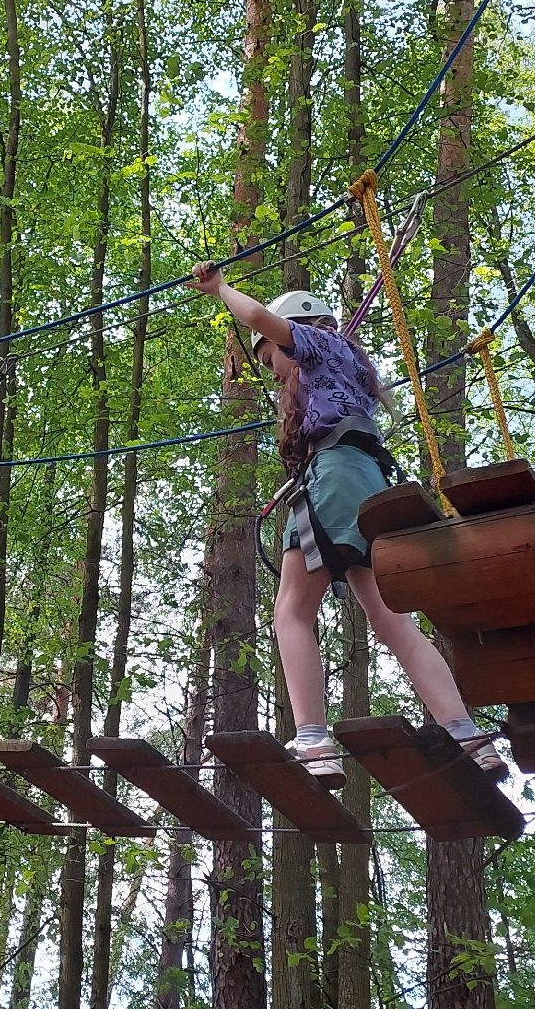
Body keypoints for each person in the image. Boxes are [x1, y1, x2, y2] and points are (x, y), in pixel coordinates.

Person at [187, 261, 503, 786]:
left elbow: (262, 319)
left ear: (296, 337)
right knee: (391, 620)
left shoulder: (313, 343)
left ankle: (313, 737)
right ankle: (465, 732)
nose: (274, 372)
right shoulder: (350, 368)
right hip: (370, 481)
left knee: (290, 611)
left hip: (335, 478)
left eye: (272, 360)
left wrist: (221, 290)